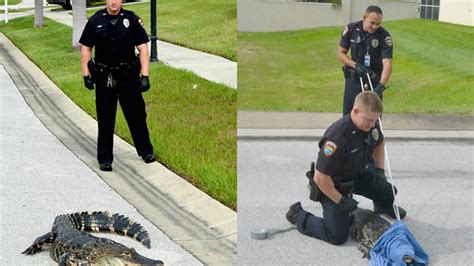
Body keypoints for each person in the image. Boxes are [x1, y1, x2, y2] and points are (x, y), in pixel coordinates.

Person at [286, 91, 406, 245]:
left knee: (389, 191)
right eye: (369, 120)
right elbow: (320, 178)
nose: (372, 124)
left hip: (356, 175)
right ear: (355, 111)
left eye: (375, 120)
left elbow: (380, 143)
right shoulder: (337, 138)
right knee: (337, 236)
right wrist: (341, 201)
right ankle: (298, 215)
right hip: (332, 185)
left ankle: (382, 206)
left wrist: (379, 171)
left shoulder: (370, 127)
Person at [79, 0, 156, 171]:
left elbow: (143, 48)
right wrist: (86, 75)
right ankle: (105, 159)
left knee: (136, 115)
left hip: (128, 76)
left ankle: (146, 151)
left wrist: (145, 75)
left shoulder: (132, 20)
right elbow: (86, 48)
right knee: (105, 118)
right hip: (105, 77)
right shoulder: (95, 21)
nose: (114, 2)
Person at [337, 5, 393, 115]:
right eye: (372, 23)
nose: (375, 26)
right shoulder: (352, 29)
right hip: (354, 79)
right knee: (350, 116)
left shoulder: (384, 36)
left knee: (373, 118)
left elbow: (387, 64)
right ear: (364, 17)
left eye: (378, 24)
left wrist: (381, 86)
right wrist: (355, 65)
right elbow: (340, 53)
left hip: (373, 82)